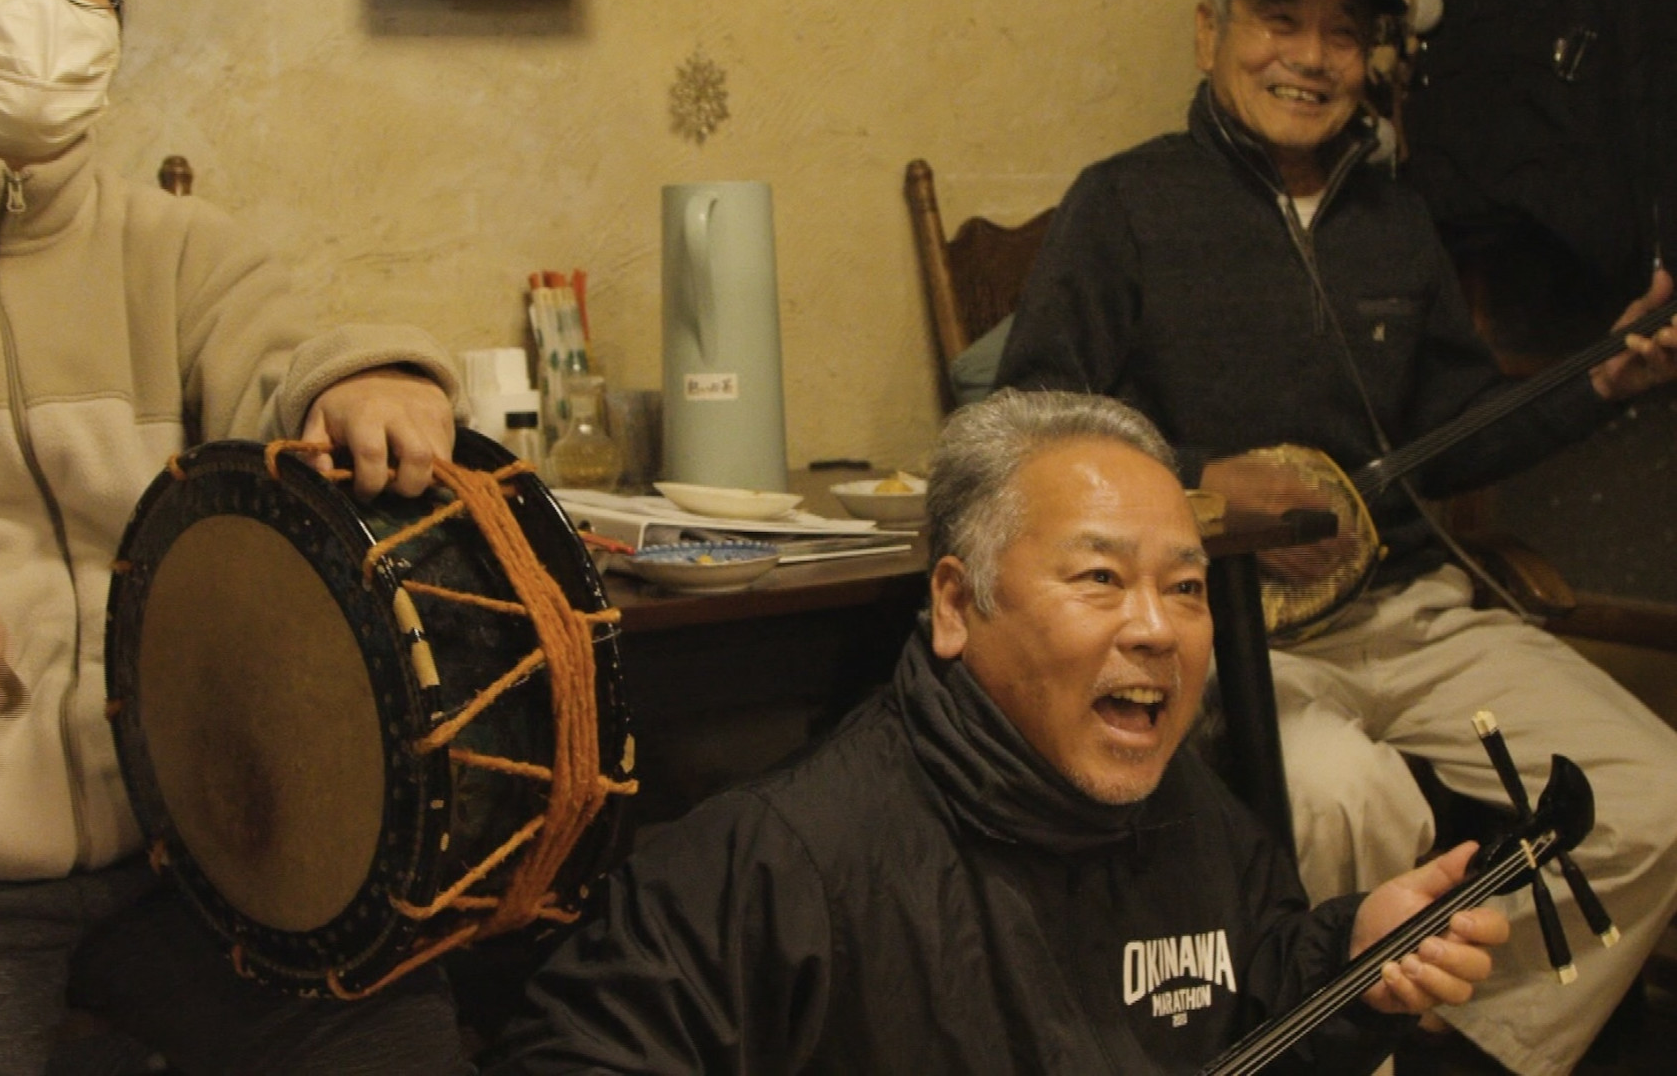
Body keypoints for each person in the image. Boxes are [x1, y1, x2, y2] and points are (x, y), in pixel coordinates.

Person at [995, 0, 1677, 1076]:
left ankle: (1454, 1050)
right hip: (1232, 635)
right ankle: (1329, 1048)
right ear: (1207, 32)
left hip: (1407, 616)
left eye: (1342, 35)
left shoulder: (1393, 218)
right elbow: (1022, 420)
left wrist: (1601, 381)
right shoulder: (1123, 203)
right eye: (1278, 20)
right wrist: (1195, 481)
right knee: (1343, 797)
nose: (1308, 58)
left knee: (1651, 796)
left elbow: (1452, 434)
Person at [0, 0, 471, 1071]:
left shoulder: (174, 246)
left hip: (197, 838)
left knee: (396, 1031)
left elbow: (284, 362)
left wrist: (369, 378)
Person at [486, 389, 1509, 1074]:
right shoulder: (781, 860)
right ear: (953, 604)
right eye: (1099, 578)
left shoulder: (1189, 812)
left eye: (1184, 588)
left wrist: (1344, 960)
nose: (1154, 628)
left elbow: (1250, 1007)